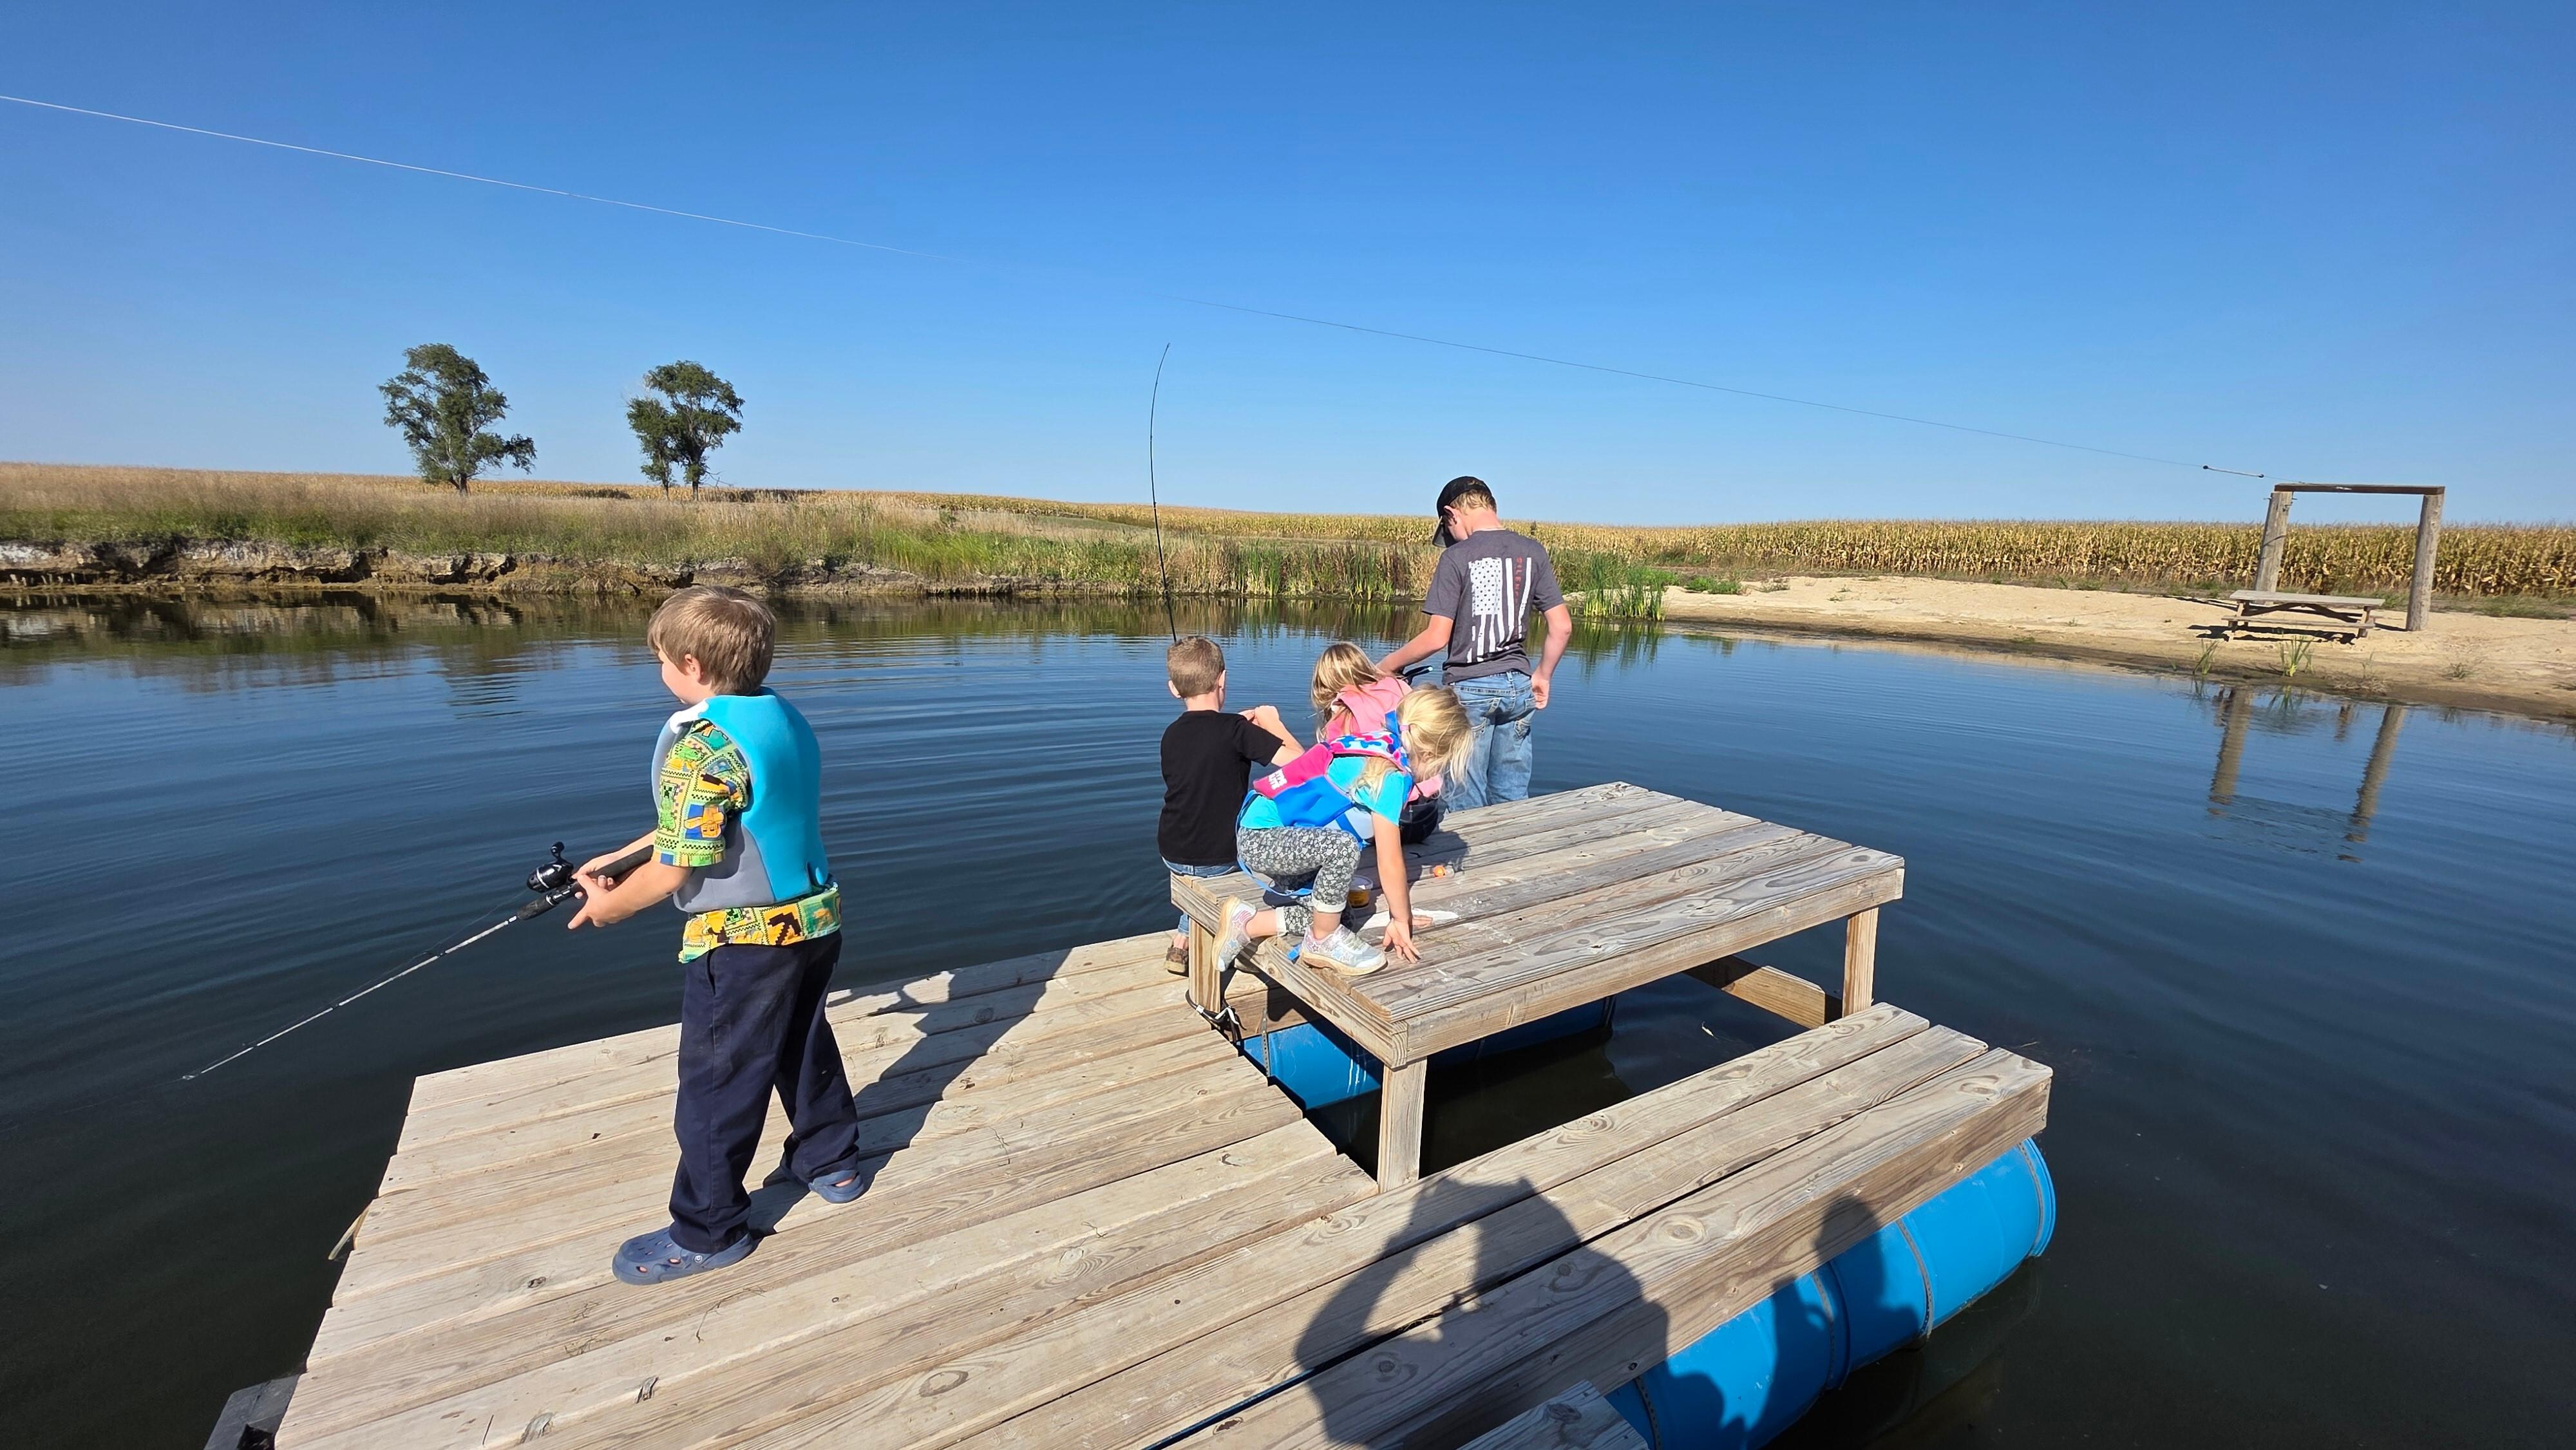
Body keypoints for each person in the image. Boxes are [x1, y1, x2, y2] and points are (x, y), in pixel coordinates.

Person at [564, 585, 863, 1286]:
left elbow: (676, 869)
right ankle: (832, 1160)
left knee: (716, 1079)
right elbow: (714, 818)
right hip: (815, 919)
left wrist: (612, 906)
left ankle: (707, 1228)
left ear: (691, 664)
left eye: (662, 660)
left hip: (745, 940)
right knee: (801, 1040)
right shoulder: (775, 713)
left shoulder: (703, 747)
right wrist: (618, 857)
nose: (660, 671)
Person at [1211, 686, 1475, 976]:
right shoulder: (1390, 776)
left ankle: (1246, 923)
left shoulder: (1381, 744)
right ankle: (1323, 942)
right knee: (1343, 847)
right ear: (1431, 753)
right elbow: (1390, 862)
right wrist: (1402, 919)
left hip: (1273, 835)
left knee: (1338, 917)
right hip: (1262, 837)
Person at [1377, 476, 1573, 810]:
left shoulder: (1457, 558)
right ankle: (1513, 858)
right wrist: (1543, 675)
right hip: (1519, 688)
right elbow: (1562, 626)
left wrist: (1387, 666)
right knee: (1512, 796)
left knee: (1463, 797)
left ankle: (1472, 863)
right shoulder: (1533, 552)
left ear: (1452, 514)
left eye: (1448, 530)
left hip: (1470, 689)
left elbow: (1437, 637)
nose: (1451, 539)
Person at [1158, 636, 1303, 972]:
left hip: (1173, 849)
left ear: (1174, 690)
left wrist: (1235, 728)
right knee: (1247, 889)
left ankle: (1181, 943)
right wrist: (1272, 726)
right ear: (1223, 679)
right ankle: (1235, 951)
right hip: (1221, 855)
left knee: (1197, 884)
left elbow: (1205, 747)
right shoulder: (1238, 731)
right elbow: (1302, 767)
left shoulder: (1171, 734)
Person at [1309, 641, 1444, 843]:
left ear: (1324, 685)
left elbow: (1331, 776)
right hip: (1427, 815)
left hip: (1388, 825)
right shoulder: (1399, 686)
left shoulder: (1344, 713)